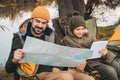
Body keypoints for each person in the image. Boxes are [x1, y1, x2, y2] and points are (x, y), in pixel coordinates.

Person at [5, 6, 94, 80]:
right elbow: (8, 69)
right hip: (35, 75)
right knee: (66, 77)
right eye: (37, 21)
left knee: (88, 79)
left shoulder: (51, 34)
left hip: (54, 69)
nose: (40, 25)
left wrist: (76, 64)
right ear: (31, 20)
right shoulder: (20, 37)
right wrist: (14, 60)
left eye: (43, 23)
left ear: (47, 24)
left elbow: (61, 57)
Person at [62, 11, 119, 80]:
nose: (80, 32)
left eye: (82, 29)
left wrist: (105, 53)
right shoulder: (67, 40)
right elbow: (70, 55)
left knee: (117, 66)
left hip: (100, 57)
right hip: (89, 63)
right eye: (78, 29)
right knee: (110, 71)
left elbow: (98, 46)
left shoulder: (89, 35)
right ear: (72, 29)